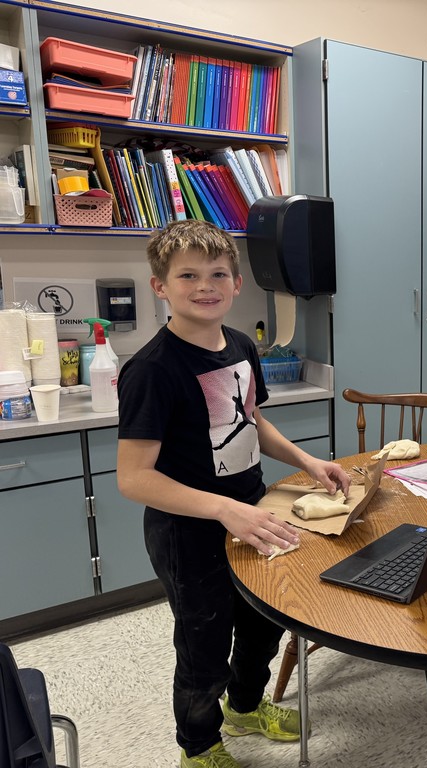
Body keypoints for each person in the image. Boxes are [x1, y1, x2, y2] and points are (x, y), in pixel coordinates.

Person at [117, 219, 350, 768]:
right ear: (160, 286)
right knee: (203, 642)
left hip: (253, 513)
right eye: (188, 275)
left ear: (237, 282)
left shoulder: (242, 346)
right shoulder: (152, 370)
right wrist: (225, 510)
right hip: (189, 529)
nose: (206, 285)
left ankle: (245, 707)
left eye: (218, 273)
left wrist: (308, 462)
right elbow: (134, 478)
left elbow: (250, 422)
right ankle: (198, 746)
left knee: (262, 623)